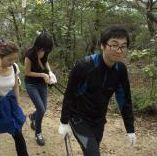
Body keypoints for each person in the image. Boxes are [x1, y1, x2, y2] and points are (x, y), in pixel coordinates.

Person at [58, 25, 136, 156]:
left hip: (99, 120)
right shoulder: (85, 65)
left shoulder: (120, 70)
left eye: (123, 46)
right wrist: (64, 122)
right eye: (114, 45)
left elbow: (124, 100)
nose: (119, 50)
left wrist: (130, 129)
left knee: (92, 150)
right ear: (102, 45)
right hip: (78, 119)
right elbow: (69, 94)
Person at [0, 42, 28, 156]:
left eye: (15, 58)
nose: (12, 62)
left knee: (17, 132)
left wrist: (17, 104)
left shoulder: (14, 67)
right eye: (9, 59)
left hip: (9, 103)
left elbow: (16, 86)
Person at [24, 32, 56, 146]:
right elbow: (27, 72)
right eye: (44, 47)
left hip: (42, 84)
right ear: (39, 44)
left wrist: (50, 72)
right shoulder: (29, 54)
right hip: (31, 85)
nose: (45, 50)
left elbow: (45, 61)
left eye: (47, 48)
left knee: (43, 108)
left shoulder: (45, 52)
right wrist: (42, 75)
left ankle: (33, 116)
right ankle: (38, 134)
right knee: (41, 109)